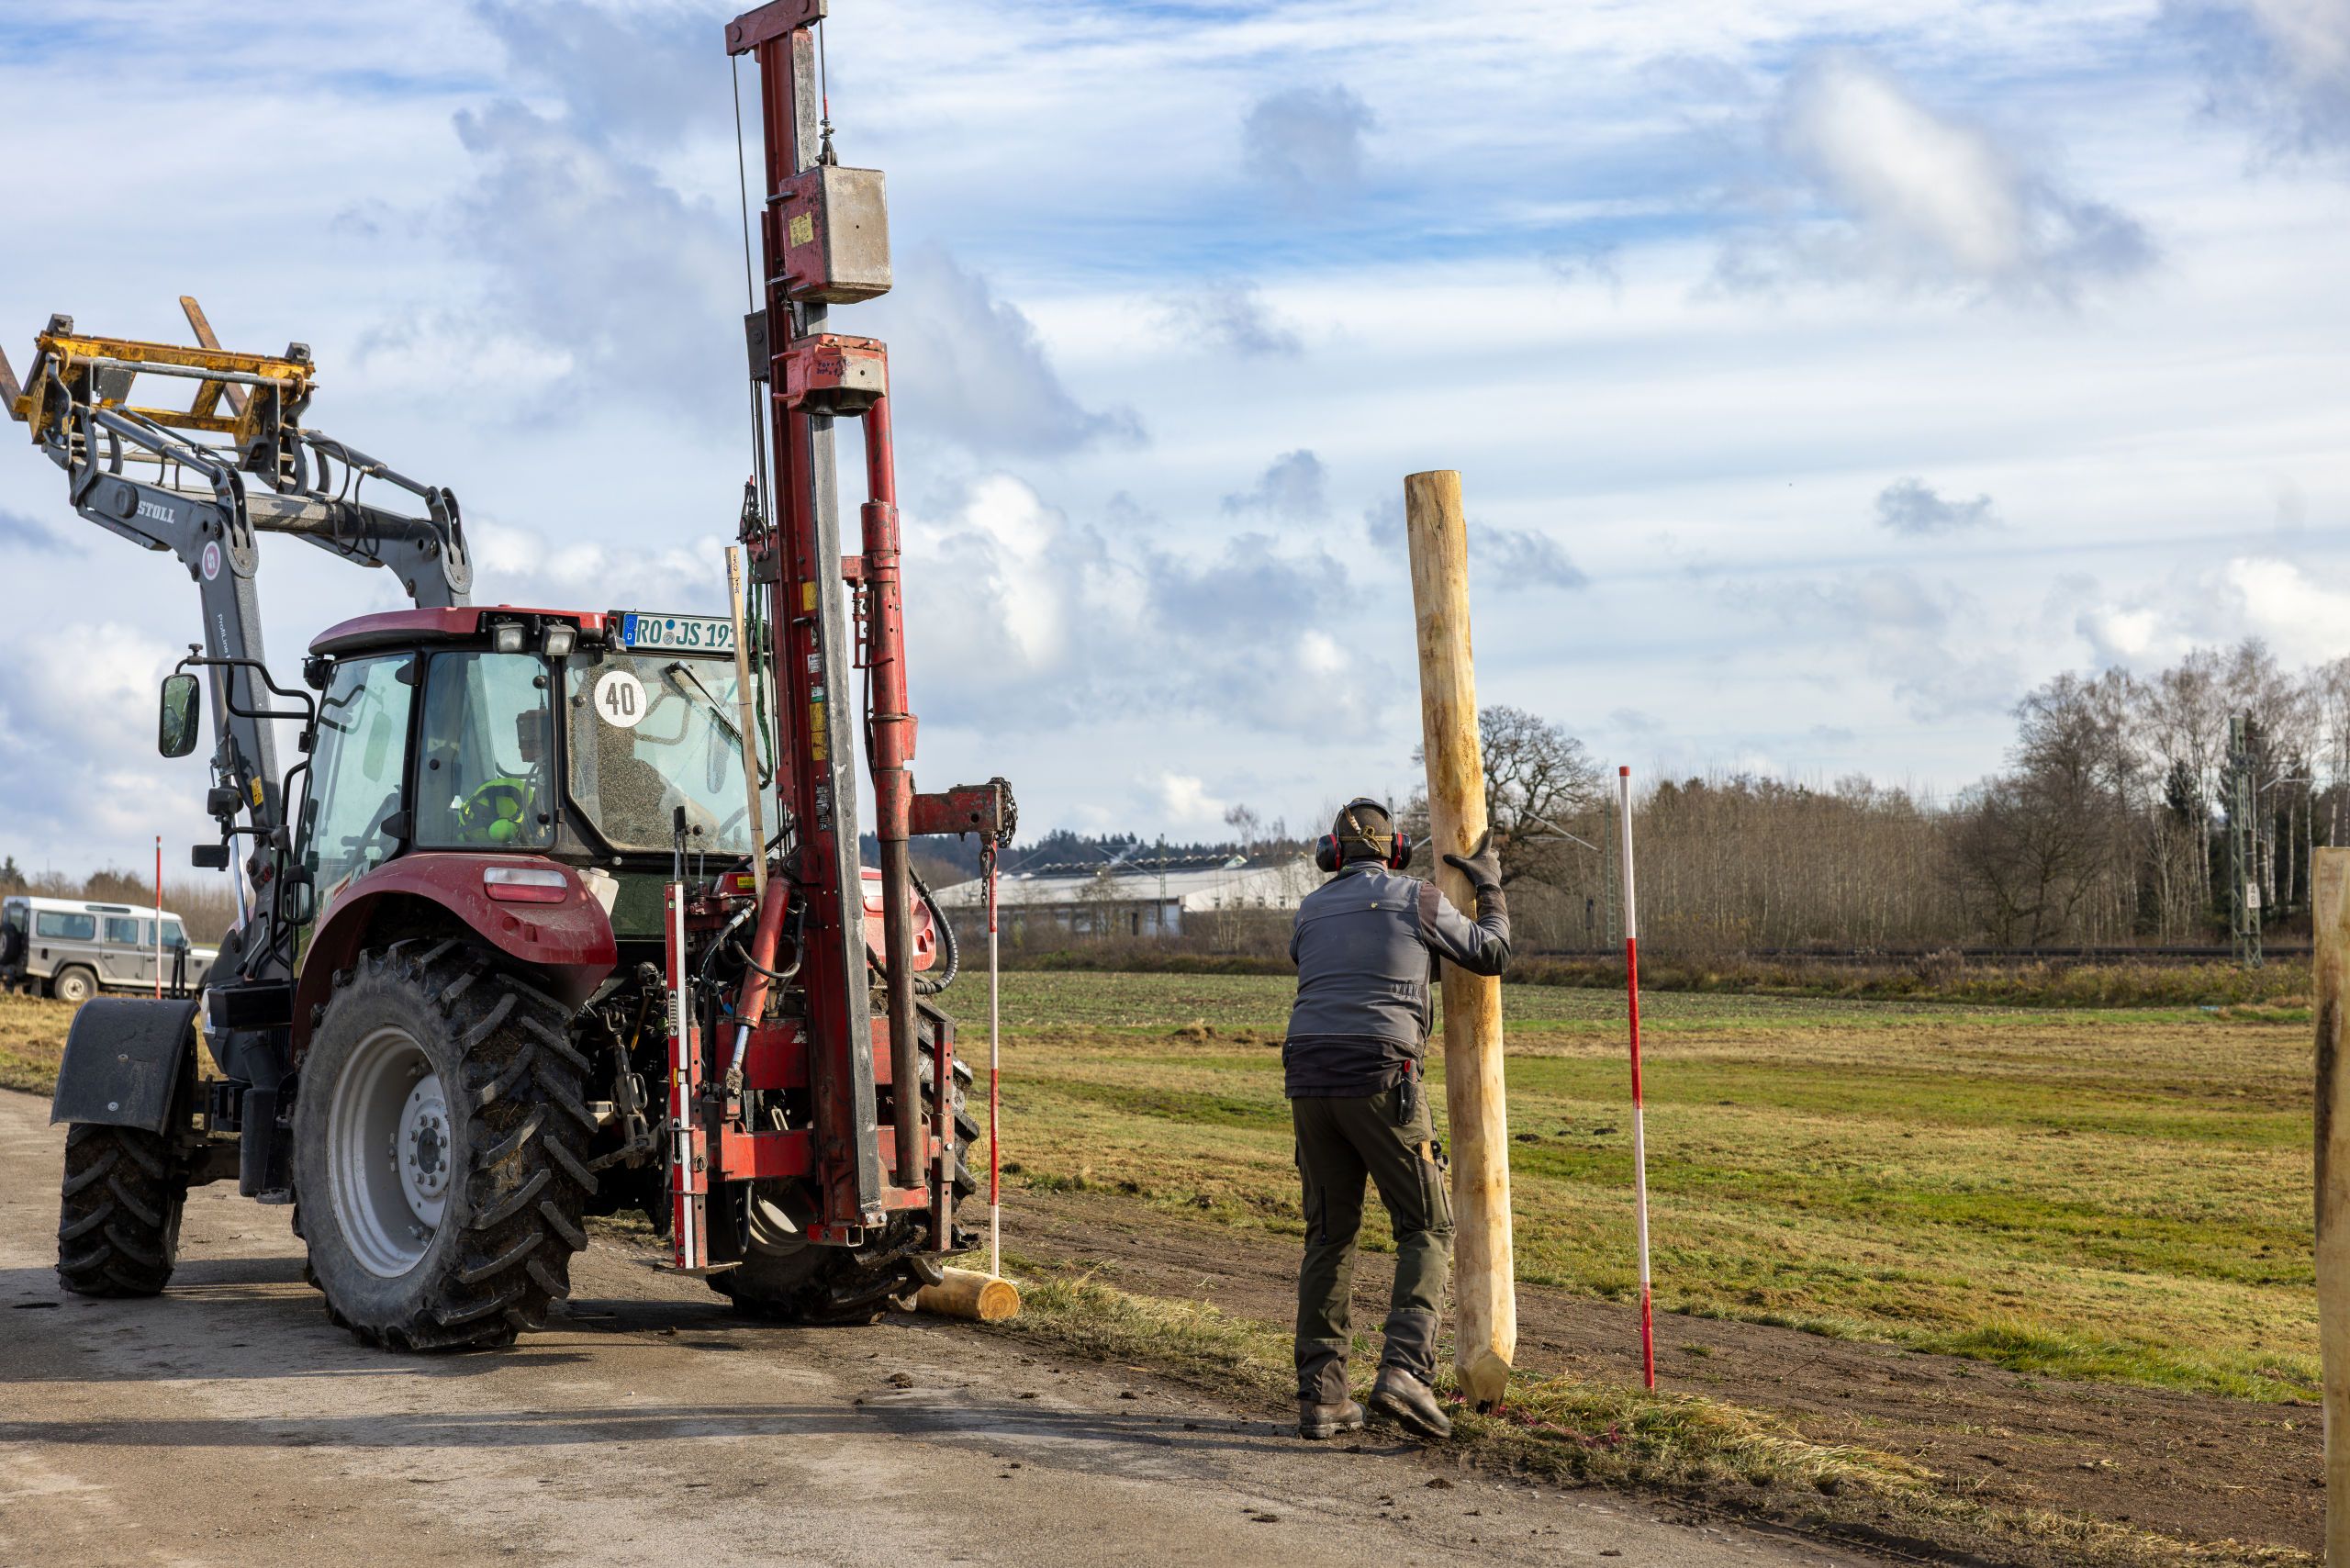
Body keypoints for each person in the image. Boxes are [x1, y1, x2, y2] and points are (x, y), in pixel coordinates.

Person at [1285, 798, 1510, 1441]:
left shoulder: (1308, 909)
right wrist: (1489, 886)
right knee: (1427, 1227)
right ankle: (1407, 1373)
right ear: (1396, 850)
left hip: (1307, 1080)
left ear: (1332, 855)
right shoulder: (1418, 899)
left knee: (1329, 1237)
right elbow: (1493, 953)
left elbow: (1327, 968)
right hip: (1382, 1076)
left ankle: (1323, 1398)